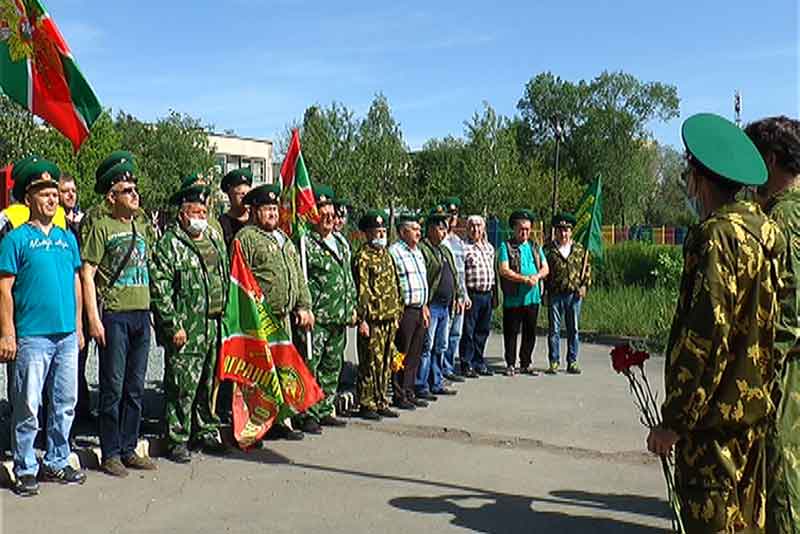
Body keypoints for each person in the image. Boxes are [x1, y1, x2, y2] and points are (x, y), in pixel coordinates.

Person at [646, 112, 786, 533]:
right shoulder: (765, 232)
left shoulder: (715, 236)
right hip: (753, 416)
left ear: (698, 177)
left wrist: (674, 421)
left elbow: (704, 338)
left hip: (711, 427)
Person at [0, 156, 86, 496]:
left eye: (54, 192)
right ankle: (25, 466)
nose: (52, 198)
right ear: (28, 198)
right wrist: (7, 332)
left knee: (65, 401)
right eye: (43, 192)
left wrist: (78, 326)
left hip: (65, 335)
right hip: (31, 336)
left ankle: (57, 460)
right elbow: (4, 289)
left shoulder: (68, 239)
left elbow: (77, 283)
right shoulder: (14, 239)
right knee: (27, 404)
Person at [81, 151, 158, 477]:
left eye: (135, 187)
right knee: (112, 387)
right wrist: (93, 319)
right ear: (111, 196)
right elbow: (87, 273)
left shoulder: (142, 225)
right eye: (127, 190)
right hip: (114, 316)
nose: (134, 193)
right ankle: (110, 450)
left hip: (142, 315)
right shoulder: (101, 227)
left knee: (135, 387)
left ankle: (129, 447)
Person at [745, 116, 800, 533]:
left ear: (771, 159)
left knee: (781, 487)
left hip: (785, 378)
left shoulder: (780, 223)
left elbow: (784, 318)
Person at [150, 181, 230, 463]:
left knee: (208, 382)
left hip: (213, 325)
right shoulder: (169, 244)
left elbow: (224, 276)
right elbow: (160, 289)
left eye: (204, 212)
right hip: (187, 326)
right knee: (182, 384)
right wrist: (173, 324)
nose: (200, 218)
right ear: (183, 214)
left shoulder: (214, 240)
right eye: (195, 212)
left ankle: (205, 430)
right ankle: (177, 438)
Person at [234, 183, 313, 440]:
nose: (272, 214)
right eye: (266, 209)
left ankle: (281, 420)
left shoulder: (283, 239)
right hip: (258, 320)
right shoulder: (245, 239)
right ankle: (255, 428)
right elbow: (238, 279)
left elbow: (298, 275)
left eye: (274, 208)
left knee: (282, 372)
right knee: (259, 376)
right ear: (254, 211)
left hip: (284, 319)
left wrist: (304, 305)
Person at [293, 185, 356, 434]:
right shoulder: (305, 242)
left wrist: (351, 307)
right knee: (310, 366)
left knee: (332, 366)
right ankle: (306, 413)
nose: (328, 216)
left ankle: (324, 408)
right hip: (316, 317)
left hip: (338, 316)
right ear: (313, 214)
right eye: (323, 211)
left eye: (331, 211)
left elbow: (347, 278)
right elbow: (299, 278)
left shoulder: (340, 242)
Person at [352, 210, 403, 420]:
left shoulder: (387, 255)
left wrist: (398, 312)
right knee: (370, 362)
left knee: (385, 362)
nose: (381, 235)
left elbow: (395, 285)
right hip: (372, 320)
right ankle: (367, 402)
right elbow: (361, 289)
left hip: (389, 317)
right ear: (367, 233)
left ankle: (382, 399)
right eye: (376, 231)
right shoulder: (362, 257)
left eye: (383, 231)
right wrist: (362, 319)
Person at [57, 174, 92, 422]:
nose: (71, 194)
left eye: (74, 190)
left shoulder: (83, 222)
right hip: (61, 299)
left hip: (82, 298)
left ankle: (81, 407)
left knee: (80, 359)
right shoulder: (56, 225)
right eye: (65, 190)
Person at [416, 207, 461, 398]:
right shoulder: (424, 249)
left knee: (440, 346)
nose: (444, 231)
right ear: (431, 228)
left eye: (445, 227)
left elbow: (455, 274)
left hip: (446, 306)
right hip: (432, 305)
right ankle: (421, 384)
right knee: (427, 346)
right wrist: (424, 303)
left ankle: (436, 380)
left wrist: (458, 295)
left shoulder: (444, 250)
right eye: (440, 227)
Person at [498, 210, 549, 376]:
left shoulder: (534, 246)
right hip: (514, 298)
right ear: (514, 228)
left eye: (527, 229)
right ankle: (510, 363)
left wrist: (537, 276)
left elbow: (545, 268)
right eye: (521, 229)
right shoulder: (506, 246)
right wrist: (523, 279)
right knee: (511, 332)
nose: (524, 233)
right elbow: (504, 270)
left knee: (530, 332)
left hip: (532, 298)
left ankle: (526, 362)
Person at [389, 214, 430, 410]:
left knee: (415, 353)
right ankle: (398, 393)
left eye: (419, 229)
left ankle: (409, 390)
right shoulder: (395, 252)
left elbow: (422, 281)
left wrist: (424, 306)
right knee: (402, 352)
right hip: (404, 310)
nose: (418, 232)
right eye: (414, 229)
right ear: (403, 231)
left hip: (419, 309)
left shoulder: (418, 252)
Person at [543, 212, 590, 375]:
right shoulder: (548, 249)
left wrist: (584, 285)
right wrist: (544, 292)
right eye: (560, 229)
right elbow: (544, 272)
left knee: (573, 329)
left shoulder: (579, 249)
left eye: (567, 230)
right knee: (554, 329)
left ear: (571, 232)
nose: (563, 233)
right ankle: (554, 361)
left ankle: (572, 361)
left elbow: (587, 269)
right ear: (555, 231)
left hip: (574, 295)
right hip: (555, 294)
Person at [459, 215, 496, 378]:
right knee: (469, 331)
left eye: (479, 226)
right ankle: (466, 363)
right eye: (472, 226)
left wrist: (494, 294)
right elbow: (461, 276)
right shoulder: (464, 248)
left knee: (483, 330)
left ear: (483, 229)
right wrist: (464, 295)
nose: (476, 229)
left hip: (487, 294)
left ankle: (478, 361)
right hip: (472, 294)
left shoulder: (489, 248)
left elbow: (492, 272)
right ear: (468, 229)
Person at [441, 197, 467, 383]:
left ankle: (448, 368)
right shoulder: (440, 241)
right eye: (449, 214)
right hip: (444, 297)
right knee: (441, 337)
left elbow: (461, 271)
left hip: (459, 295)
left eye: (455, 214)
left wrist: (463, 294)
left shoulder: (459, 242)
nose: (452, 218)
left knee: (455, 334)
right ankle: (438, 371)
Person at [218, 168, 252, 252]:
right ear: (230, 194)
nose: (245, 198)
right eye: (241, 195)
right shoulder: (222, 223)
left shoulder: (256, 219)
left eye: (247, 194)